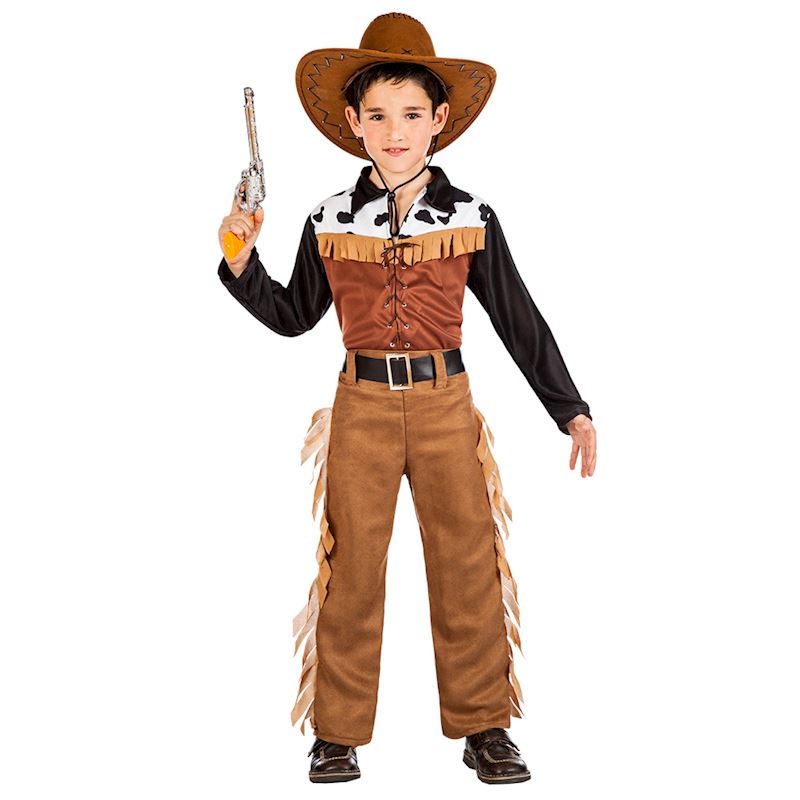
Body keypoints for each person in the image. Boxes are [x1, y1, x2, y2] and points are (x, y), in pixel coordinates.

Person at [216, 11, 597, 785]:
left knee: (467, 561)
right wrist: (241, 260)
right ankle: (336, 734)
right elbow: (294, 315)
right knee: (350, 565)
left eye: (413, 115)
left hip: (445, 406)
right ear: (354, 123)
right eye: (380, 115)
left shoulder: (471, 217)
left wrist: (570, 407)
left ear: (440, 121)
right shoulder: (329, 219)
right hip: (359, 407)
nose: (397, 132)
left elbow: (518, 317)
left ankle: (486, 727)